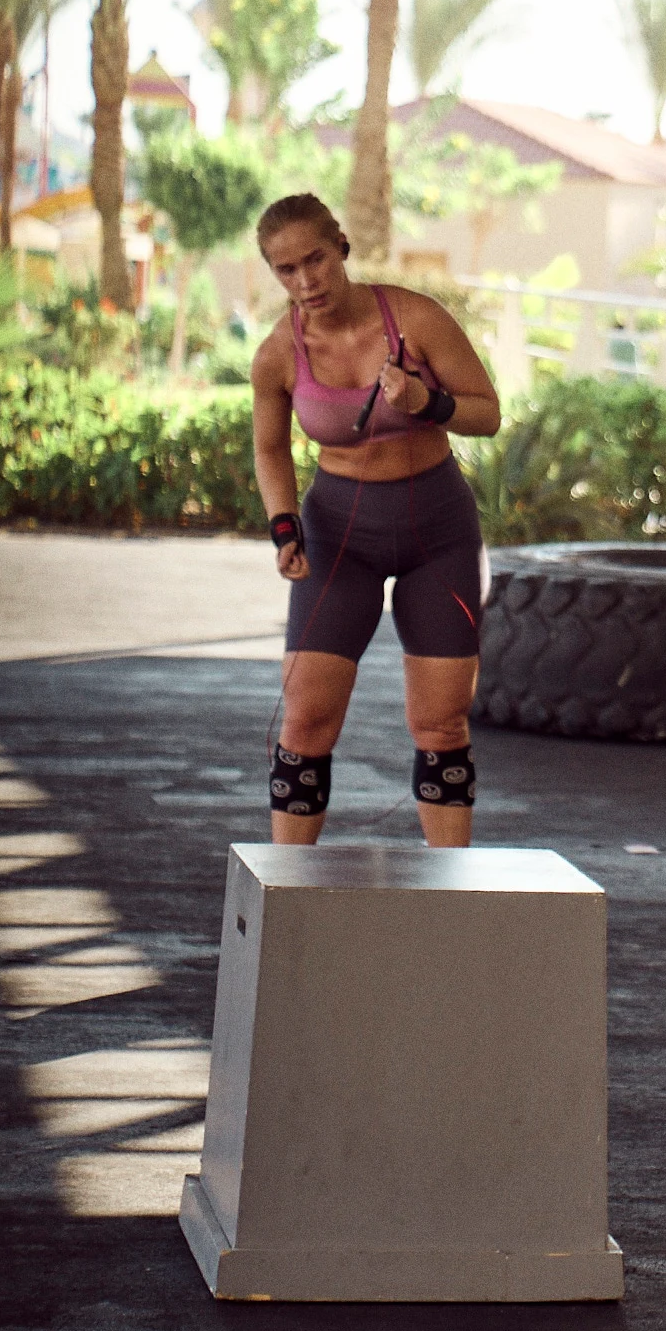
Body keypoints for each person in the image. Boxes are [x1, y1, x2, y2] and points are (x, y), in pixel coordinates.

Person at [249, 193, 503, 847]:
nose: (306, 281)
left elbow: (487, 413)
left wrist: (427, 401)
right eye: (286, 269)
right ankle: (286, 893)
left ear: (341, 248)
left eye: (315, 259)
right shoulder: (278, 353)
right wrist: (284, 526)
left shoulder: (414, 318)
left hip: (436, 532)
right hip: (337, 536)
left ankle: (455, 892)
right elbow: (270, 449)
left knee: (442, 724)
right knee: (305, 720)